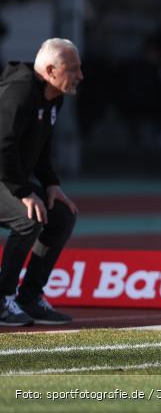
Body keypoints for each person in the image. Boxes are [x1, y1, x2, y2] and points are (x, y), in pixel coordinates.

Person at [0, 38, 83, 326]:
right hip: (5, 175)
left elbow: (40, 147)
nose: (80, 76)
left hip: (8, 179)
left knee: (61, 216)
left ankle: (29, 297)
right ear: (50, 70)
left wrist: (50, 184)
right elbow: (3, 146)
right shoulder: (19, 92)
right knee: (29, 218)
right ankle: (2, 298)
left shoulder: (52, 97)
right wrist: (23, 192)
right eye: (73, 69)